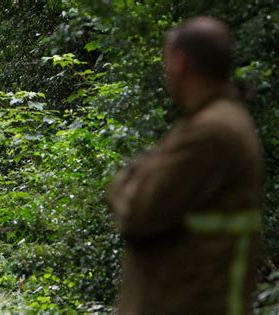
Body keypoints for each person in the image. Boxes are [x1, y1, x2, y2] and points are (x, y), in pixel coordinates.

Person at [108, 16, 263, 315]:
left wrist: (125, 183)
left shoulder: (212, 132)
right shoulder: (212, 122)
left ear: (179, 62)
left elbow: (138, 209)